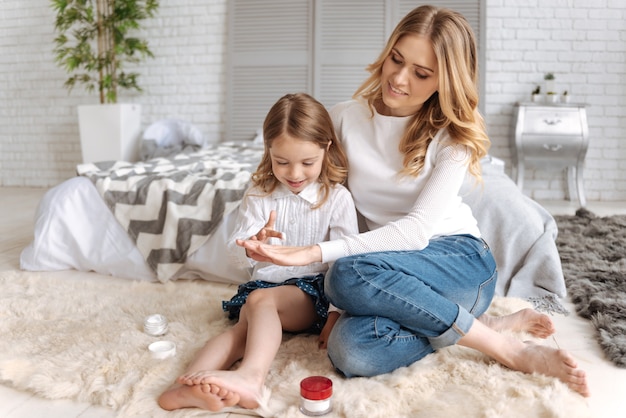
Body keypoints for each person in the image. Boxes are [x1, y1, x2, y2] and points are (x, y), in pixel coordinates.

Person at [237, 5, 590, 399]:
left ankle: (507, 348)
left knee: (345, 274)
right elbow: (310, 182)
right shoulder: (344, 119)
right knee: (351, 350)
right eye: (396, 59)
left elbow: (416, 230)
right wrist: (267, 231)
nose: (399, 79)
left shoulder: (451, 137)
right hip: (387, 274)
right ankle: (483, 325)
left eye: (421, 73)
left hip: (459, 265)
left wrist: (311, 254)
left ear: (445, 80)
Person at [157, 93, 359, 411]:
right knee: (242, 328)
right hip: (265, 291)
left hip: (312, 294)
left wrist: (336, 313)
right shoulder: (259, 194)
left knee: (260, 301)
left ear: (326, 149)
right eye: (282, 162)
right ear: (268, 151)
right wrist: (251, 245)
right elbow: (235, 254)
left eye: (307, 162)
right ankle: (185, 386)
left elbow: (344, 263)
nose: (294, 173)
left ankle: (251, 378)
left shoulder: (336, 198)